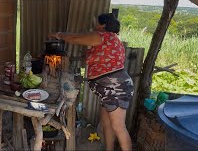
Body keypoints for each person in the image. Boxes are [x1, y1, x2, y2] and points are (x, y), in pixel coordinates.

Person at [49, 13, 134, 151]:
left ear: (103, 25)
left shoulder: (102, 36)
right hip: (108, 88)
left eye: (97, 23)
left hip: (115, 87)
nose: (95, 25)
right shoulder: (111, 39)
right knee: (106, 123)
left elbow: (75, 38)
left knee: (119, 127)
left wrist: (57, 34)